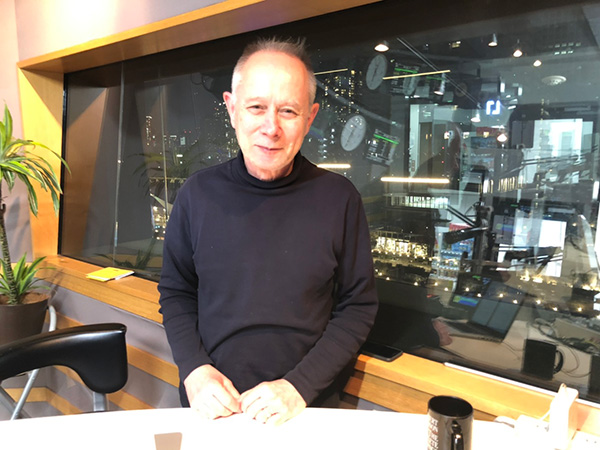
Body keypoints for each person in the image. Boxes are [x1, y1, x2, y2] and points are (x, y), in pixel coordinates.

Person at [158, 37, 378, 426]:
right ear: (232, 109)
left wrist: (298, 387)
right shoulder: (197, 194)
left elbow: (357, 307)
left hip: (303, 408)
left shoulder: (339, 199)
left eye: (288, 111)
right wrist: (194, 370)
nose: (271, 127)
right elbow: (176, 293)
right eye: (256, 107)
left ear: (310, 118)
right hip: (214, 405)